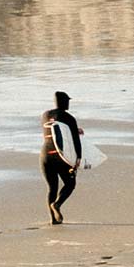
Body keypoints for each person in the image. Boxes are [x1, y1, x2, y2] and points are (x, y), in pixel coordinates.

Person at [40, 91, 82, 224]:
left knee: (52, 188)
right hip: (60, 156)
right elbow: (75, 140)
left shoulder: (45, 115)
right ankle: (57, 204)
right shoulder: (69, 117)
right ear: (64, 102)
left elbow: (56, 131)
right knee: (70, 184)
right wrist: (78, 158)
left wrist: (75, 130)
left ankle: (53, 220)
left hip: (45, 155)